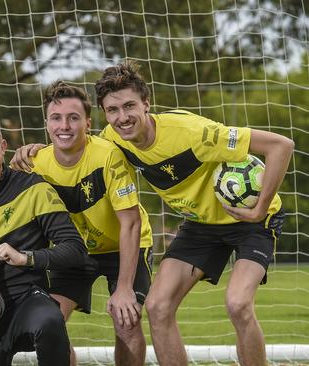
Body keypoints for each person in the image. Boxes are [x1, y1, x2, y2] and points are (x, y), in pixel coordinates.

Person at [95, 61, 293, 366]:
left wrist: (259, 209)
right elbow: (80, 151)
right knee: (158, 307)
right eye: (112, 110)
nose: (123, 117)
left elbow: (282, 146)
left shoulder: (194, 133)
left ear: (147, 104)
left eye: (130, 106)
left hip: (250, 220)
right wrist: (34, 153)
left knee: (238, 303)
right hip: (201, 225)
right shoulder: (112, 138)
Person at [8, 81, 154, 366]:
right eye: (57, 118)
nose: (65, 126)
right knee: (49, 323)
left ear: (87, 122)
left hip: (121, 246)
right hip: (73, 251)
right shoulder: (34, 163)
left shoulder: (108, 156)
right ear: (47, 124)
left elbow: (131, 223)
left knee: (127, 320)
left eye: (73, 118)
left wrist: (124, 288)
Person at [0, 110, 87, 366]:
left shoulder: (33, 188)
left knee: (50, 320)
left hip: (27, 300)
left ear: (3, 146)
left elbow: (75, 249)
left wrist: (25, 258)